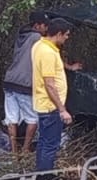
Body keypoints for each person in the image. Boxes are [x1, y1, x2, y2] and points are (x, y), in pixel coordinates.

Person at [2, 10, 50, 154]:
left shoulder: (21, 36)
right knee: (33, 119)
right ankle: (25, 150)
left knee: (11, 119)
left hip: (10, 82)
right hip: (24, 84)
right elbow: (50, 52)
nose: (46, 28)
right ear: (37, 25)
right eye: (44, 25)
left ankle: (14, 152)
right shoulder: (37, 38)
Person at [31, 18, 74, 171]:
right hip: (50, 107)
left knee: (43, 142)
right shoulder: (48, 52)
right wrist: (62, 109)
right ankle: (45, 178)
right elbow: (49, 83)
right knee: (50, 145)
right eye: (66, 35)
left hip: (43, 104)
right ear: (59, 34)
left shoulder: (39, 45)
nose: (67, 38)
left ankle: (41, 173)